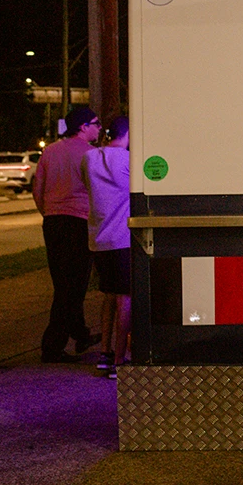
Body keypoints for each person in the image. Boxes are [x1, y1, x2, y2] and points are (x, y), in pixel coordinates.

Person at [33, 106, 102, 363]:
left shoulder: (50, 152)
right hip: (79, 222)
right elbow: (98, 192)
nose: (99, 128)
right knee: (73, 286)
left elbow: (38, 189)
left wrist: (48, 212)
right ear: (83, 127)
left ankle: (81, 333)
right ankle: (52, 346)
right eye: (96, 123)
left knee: (63, 282)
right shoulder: (91, 155)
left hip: (53, 223)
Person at [82, 116, 130, 378]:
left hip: (98, 240)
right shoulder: (129, 160)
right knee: (125, 298)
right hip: (122, 238)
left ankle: (105, 353)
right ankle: (120, 360)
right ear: (127, 134)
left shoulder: (89, 159)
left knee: (109, 295)